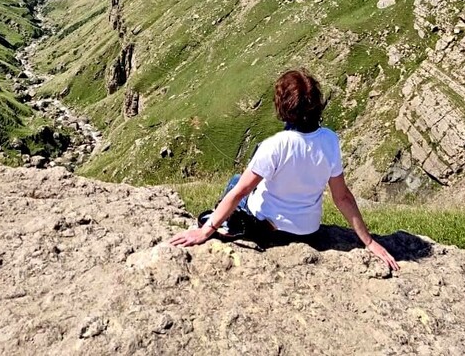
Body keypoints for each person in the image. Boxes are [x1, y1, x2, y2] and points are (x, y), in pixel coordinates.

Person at [170, 69, 399, 272]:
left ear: (283, 107)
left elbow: (241, 191)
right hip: (309, 232)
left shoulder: (276, 145)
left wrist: (206, 231)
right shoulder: (329, 140)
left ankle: (223, 222)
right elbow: (342, 197)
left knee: (236, 181)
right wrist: (369, 242)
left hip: (270, 230)